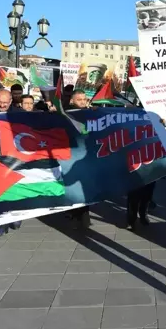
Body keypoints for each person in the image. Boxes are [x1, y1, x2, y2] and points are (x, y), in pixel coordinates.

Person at [0, 89, 23, 236]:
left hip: (15, 158)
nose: (2, 105)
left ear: (10, 102)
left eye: (5, 102)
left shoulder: (20, 115)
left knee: (14, 189)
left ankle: (15, 216)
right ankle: (0, 225)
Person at [65, 89, 91, 228]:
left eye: (84, 99)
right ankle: (75, 213)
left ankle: (84, 217)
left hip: (87, 157)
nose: (82, 102)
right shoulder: (66, 114)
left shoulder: (91, 113)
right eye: (79, 99)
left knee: (86, 186)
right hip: (72, 156)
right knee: (75, 187)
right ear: (72, 101)